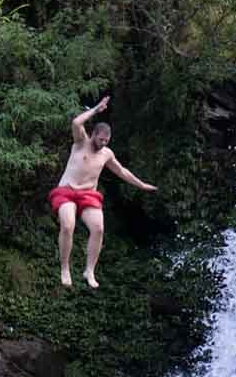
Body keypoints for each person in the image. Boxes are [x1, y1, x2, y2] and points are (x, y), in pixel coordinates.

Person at [50, 96, 157, 289]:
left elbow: (121, 171)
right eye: (101, 140)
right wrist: (97, 109)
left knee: (98, 228)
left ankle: (89, 270)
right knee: (67, 226)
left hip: (88, 195)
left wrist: (141, 185)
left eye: (106, 141)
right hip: (66, 191)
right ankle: (65, 267)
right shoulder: (80, 141)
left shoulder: (107, 154)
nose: (103, 144)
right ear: (93, 135)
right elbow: (76, 122)